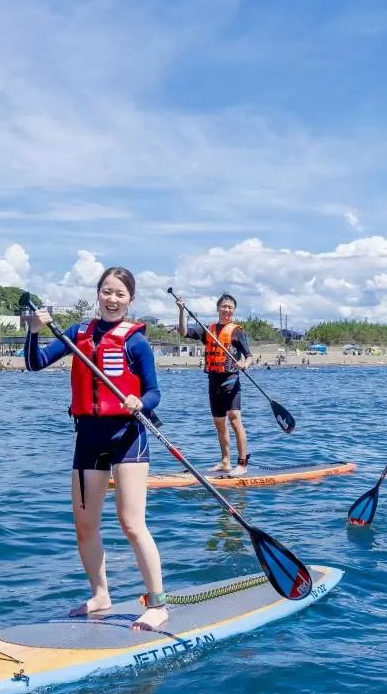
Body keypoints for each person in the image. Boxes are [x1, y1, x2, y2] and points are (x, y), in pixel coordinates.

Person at [24, 266, 170, 632]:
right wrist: (33, 332)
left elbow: (154, 392)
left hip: (127, 437)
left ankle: (157, 604)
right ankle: (100, 594)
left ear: (130, 299)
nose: (112, 299)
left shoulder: (136, 342)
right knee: (85, 526)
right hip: (87, 438)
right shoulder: (76, 334)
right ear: (98, 294)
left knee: (131, 524)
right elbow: (34, 363)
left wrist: (142, 401)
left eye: (120, 293)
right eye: (107, 291)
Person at [175, 292, 253, 474]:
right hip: (213, 381)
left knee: (235, 420)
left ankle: (242, 464)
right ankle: (225, 462)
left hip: (231, 380)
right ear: (218, 308)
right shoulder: (207, 329)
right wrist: (181, 311)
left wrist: (244, 364)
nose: (227, 310)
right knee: (219, 423)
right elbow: (183, 332)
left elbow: (249, 356)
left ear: (233, 311)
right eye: (224, 306)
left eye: (230, 307)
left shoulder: (237, 331)